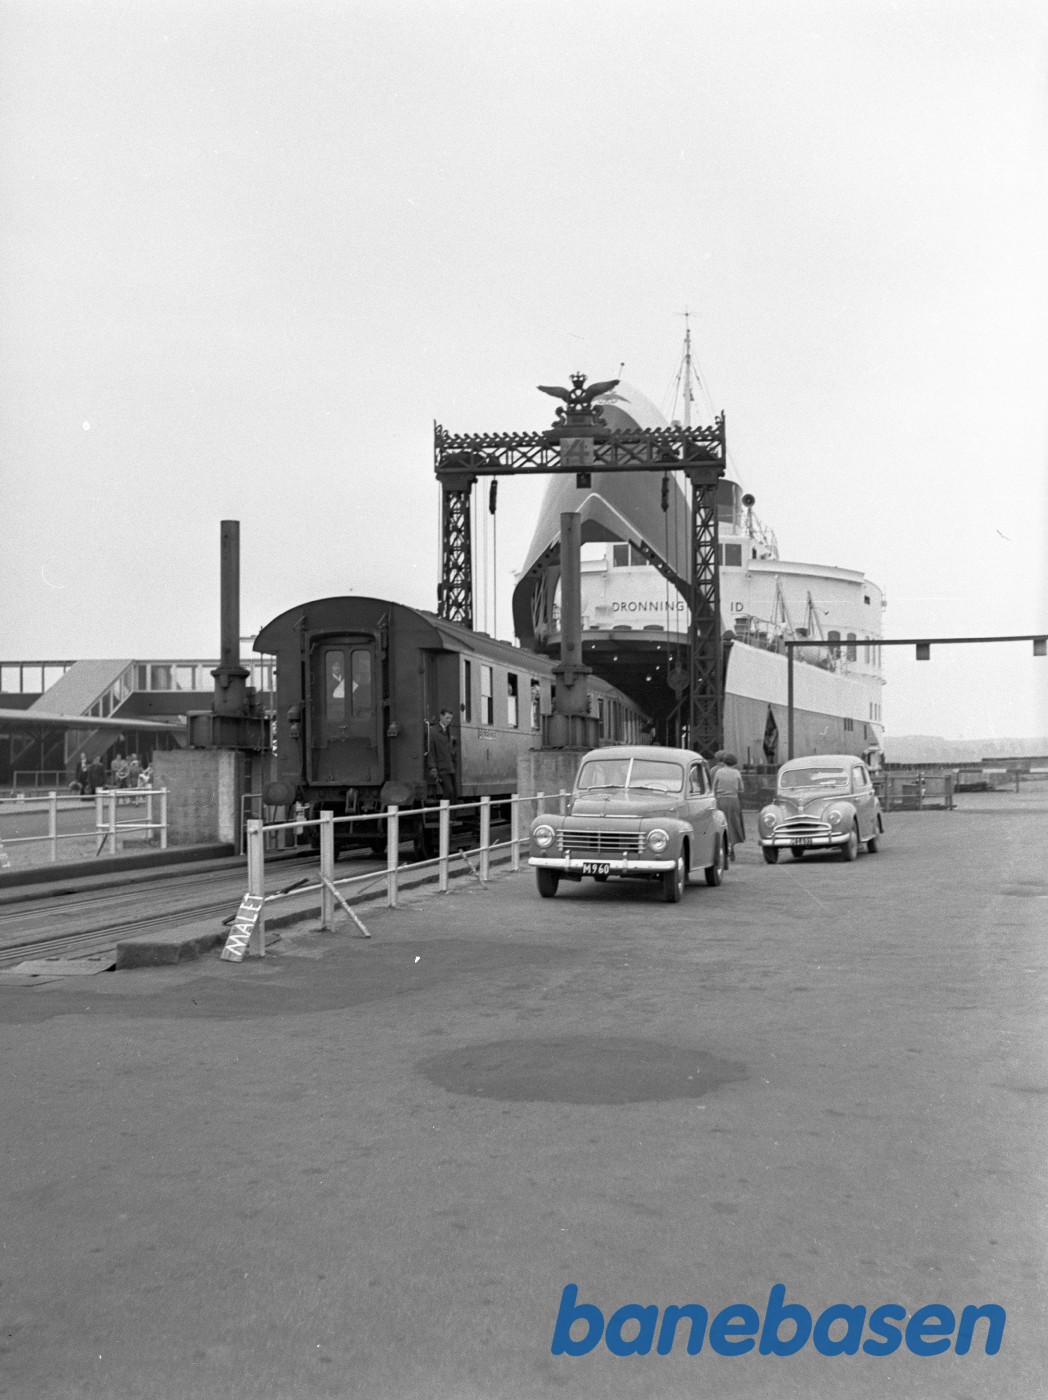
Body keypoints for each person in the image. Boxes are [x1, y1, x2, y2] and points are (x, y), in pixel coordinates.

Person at [713, 753, 746, 861]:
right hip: (733, 800)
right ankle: (731, 846)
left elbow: (713, 788)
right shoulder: (736, 773)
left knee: (722, 823)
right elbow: (741, 789)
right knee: (733, 823)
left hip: (721, 800)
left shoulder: (718, 772)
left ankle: (724, 846)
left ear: (724, 761)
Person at [429, 707, 458, 801]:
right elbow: (431, 750)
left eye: (450, 718)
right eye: (447, 718)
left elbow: (453, 749)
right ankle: (444, 813)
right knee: (449, 791)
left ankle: (451, 815)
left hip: (450, 766)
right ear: (441, 716)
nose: (449, 720)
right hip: (441, 767)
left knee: (454, 793)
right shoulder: (433, 731)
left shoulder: (450, 730)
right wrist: (433, 767)